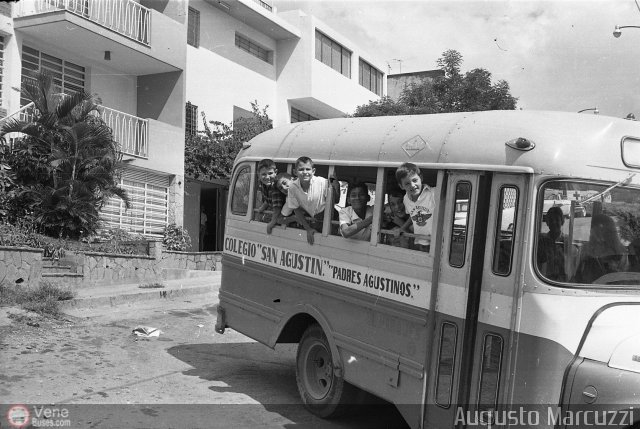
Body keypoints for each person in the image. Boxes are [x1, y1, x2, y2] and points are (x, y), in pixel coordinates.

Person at [284, 156, 339, 245]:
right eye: (301, 169)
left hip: (329, 216)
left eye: (308, 169)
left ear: (313, 171)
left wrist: (336, 186)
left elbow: (335, 200)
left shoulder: (323, 182)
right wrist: (308, 229)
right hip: (313, 219)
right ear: (295, 172)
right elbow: (296, 209)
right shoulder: (292, 187)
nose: (305, 172)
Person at [573, 214, 629, 284]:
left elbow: (623, 278)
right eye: (596, 228)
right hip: (586, 289)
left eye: (604, 230)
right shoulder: (585, 249)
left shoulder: (621, 252)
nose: (600, 234)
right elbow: (577, 275)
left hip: (613, 290)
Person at [395, 162, 436, 252]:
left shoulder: (432, 193)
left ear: (421, 178)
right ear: (401, 186)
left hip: (435, 241)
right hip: (420, 240)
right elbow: (412, 215)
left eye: (414, 180)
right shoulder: (406, 198)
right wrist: (403, 228)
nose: (412, 185)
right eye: (407, 184)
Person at [537, 206, 567, 281]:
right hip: (544, 279)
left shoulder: (567, 242)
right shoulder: (542, 242)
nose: (554, 222)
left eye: (557, 220)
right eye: (551, 220)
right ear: (547, 223)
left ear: (562, 221)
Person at [256, 159, 286, 233]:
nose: (267, 177)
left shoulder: (276, 186)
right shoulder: (263, 183)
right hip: (276, 211)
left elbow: (277, 207)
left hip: (284, 213)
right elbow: (269, 198)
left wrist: (271, 223)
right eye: (263, 174)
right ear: (258, 174)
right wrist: (262, 208)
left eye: (270, 173)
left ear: (275, 172)